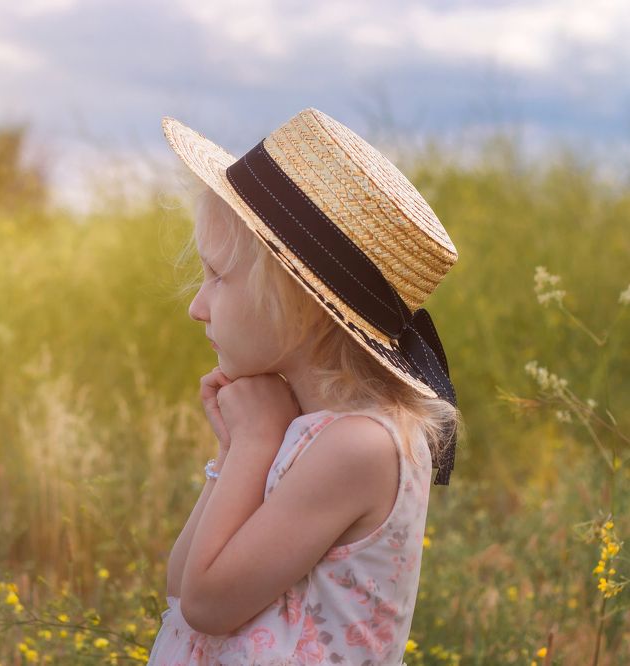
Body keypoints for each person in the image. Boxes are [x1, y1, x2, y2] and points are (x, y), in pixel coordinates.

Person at [148, 108, 465, 665]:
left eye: (218, 276)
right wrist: (234, 450)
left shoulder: (358, 446)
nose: (198, 307)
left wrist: (251, 444)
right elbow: (178, 586)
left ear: (300, 301)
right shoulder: (304, 424)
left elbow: (206, 604)